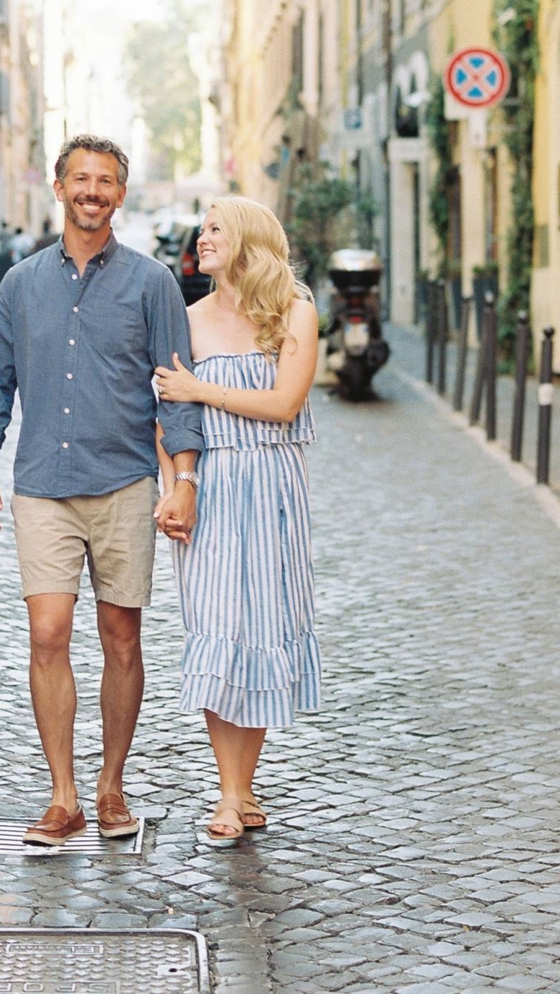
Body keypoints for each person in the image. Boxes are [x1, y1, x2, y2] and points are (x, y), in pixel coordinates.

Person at [0, 134, 204, 846]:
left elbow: (177, 392)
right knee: (48, 632)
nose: (92, 191)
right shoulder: (21, 284)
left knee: (121, 636)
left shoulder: (153, 283)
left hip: (125, 482)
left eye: (105, 181)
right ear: (60, 188)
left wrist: (182, 479)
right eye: (81, 179)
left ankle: (111, 786)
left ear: (120, 195)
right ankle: (63, 795)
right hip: (43, 482)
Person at [154, 195, 321, 847]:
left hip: (275, 485)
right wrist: (177, 488)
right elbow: (167, 418)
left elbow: (285, 403)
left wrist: (204, 390)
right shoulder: (184, 320)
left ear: (249, 239)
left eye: (216, 228)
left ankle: (243, 786)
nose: (202, 237)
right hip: (211, 487)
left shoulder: (295, 312)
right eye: (202, 228)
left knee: (263, 631)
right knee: (218, 632)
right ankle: (229, 790)